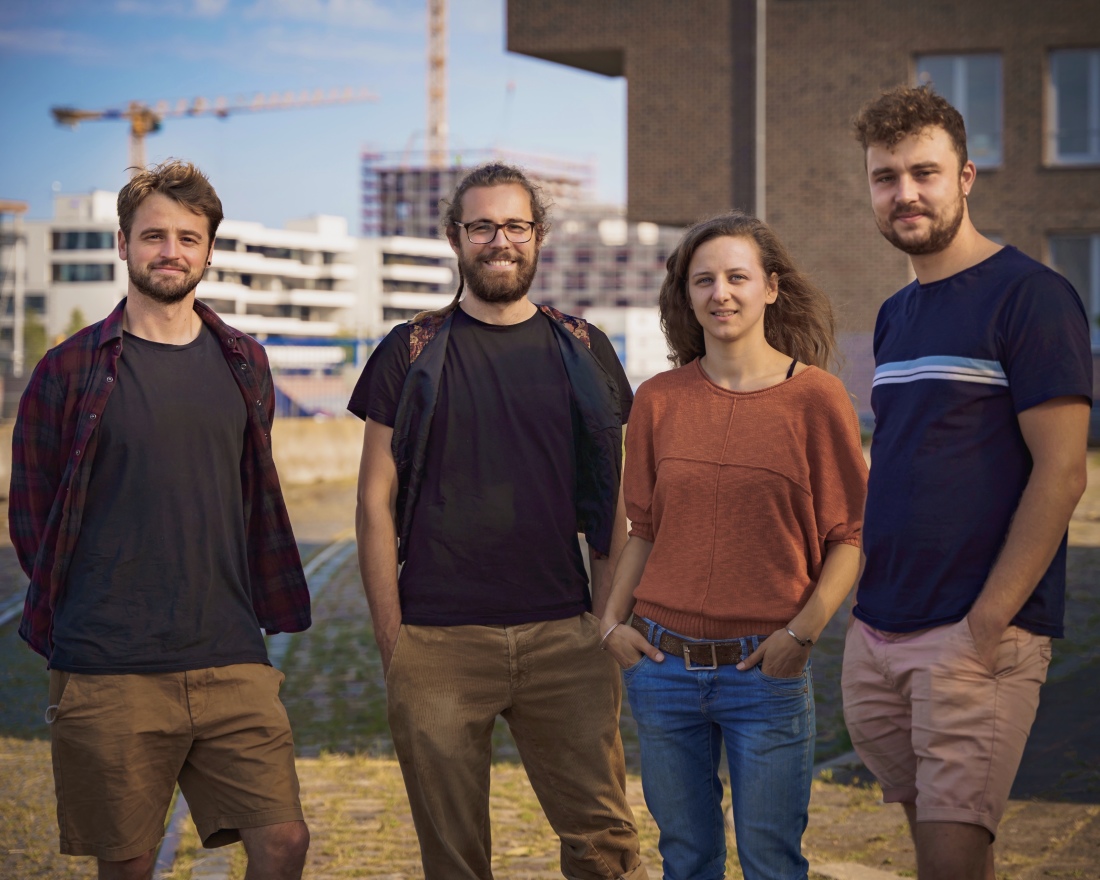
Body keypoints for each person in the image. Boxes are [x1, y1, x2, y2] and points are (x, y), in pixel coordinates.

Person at [10, 159, 312, 880]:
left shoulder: (246, 362)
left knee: (284, 841)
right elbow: (31, 518)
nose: (169, 250)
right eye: (152, 236)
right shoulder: (68, 369)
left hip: (230, 650)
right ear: (122, 244)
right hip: (110, 664)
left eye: (187, 236)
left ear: (208, 250)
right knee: (129, 863)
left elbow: (248, 496)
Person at [349, 162, 647, 880]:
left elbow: (613, 502)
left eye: (514, 225)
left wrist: (607, 623)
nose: (499, 240)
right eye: (482, 226)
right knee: (455, 861)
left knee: (606, 847)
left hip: (566, 639)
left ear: (538, 236)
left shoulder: (583, 347)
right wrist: (395, 643)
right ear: (456, 238)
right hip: (440, 642)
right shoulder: (409, 349)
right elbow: (372, 503)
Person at [842, 85, 1093, 880]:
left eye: (925, 172)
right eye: (886, 177)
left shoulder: (1032, 296)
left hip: (974, 635)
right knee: (940, 856)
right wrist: (863, 615)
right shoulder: (895, 314)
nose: (905, 193)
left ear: (966, 177)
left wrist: (986, 623)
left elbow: (1061, 472)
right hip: (882, 629)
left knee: (951, 858)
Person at [600, 211, 867, 880]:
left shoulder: (817, 398)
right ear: (685, 296)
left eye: (738, 277)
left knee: (772, 863)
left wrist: (801, 636)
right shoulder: (658, 400)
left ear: (771, 287)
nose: (721, 293)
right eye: (703, 280)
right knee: (686, 860)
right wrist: (610, 625)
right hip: (661, 668)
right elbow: (645, 531)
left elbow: (851, 538)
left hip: (764, 672)